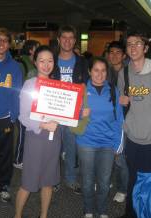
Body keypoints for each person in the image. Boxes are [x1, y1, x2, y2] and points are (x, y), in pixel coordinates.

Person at [13, 45, 61, 218]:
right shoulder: (29, 85)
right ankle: (17, 216)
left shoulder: (58, 85)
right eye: (42, 61)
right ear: (35, 62)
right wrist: (43, 125)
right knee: (28, 182)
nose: (46, 65)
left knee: (48, 181)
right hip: (36, 139)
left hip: (54, 139)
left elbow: (63, 113)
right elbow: (23, 117)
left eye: (50, 61)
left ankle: (44, 216)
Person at [75, 57, 123, 218]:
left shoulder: (112, 90)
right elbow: (69, 116)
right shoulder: (81, 90)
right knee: (88, 181)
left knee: (104, 181)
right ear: (89, 71)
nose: (100, 74)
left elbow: (119, 119)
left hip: (108, 144)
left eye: (103, 71)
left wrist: (118, 144)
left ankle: (102, 210)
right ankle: (88, 209)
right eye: (96, 70)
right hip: (87, 142)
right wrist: (81, 113)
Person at [115, 32, 151, 218]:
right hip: (132, 137)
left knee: (150, 182)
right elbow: (122, 101)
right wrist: (121, 101)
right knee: (132, 178)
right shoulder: (123, 73)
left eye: (138, 43)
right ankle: (130, 214)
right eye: (130, 44)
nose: (133, 47)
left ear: (145, 48)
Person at [50, 25, 89, 194]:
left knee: (71, 147)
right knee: (54, 148)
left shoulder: (82, 62)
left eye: (70, 38)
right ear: (59, 40)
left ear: (75, 41)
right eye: (63, 37)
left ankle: (71, 179)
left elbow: (86, 86)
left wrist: (85, 107)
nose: (67, 41)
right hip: (54, 110)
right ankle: (53, 179)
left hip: (74, 112)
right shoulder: (51, 59)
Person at [0, 27, 23, 203]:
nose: (2, 43)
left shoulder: (15, 67)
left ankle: (2, 187)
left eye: (5, 40)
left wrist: (13, 116)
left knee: (4, 157)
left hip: (4, 120)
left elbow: (17, 93)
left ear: (9, 44)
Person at [107, 41, 129, 203]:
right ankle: (107, 180)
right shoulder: (104, 71)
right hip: (107, 119)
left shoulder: (130, 73)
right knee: (108, 154)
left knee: (120, 157)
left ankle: (123, 188)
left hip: (124, 120)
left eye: (118, 52)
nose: (114, 55)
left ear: (124, 55)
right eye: (111, 52)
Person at [13, 39, 40, 169]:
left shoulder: (32, 64)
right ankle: (18, 160)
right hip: (22, 103)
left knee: (26, 131)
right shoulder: (22, 63)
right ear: (31, 50)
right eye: (37, 48)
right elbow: (18, 85)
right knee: (23, 132)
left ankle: (24, 157)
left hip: (31, 102)